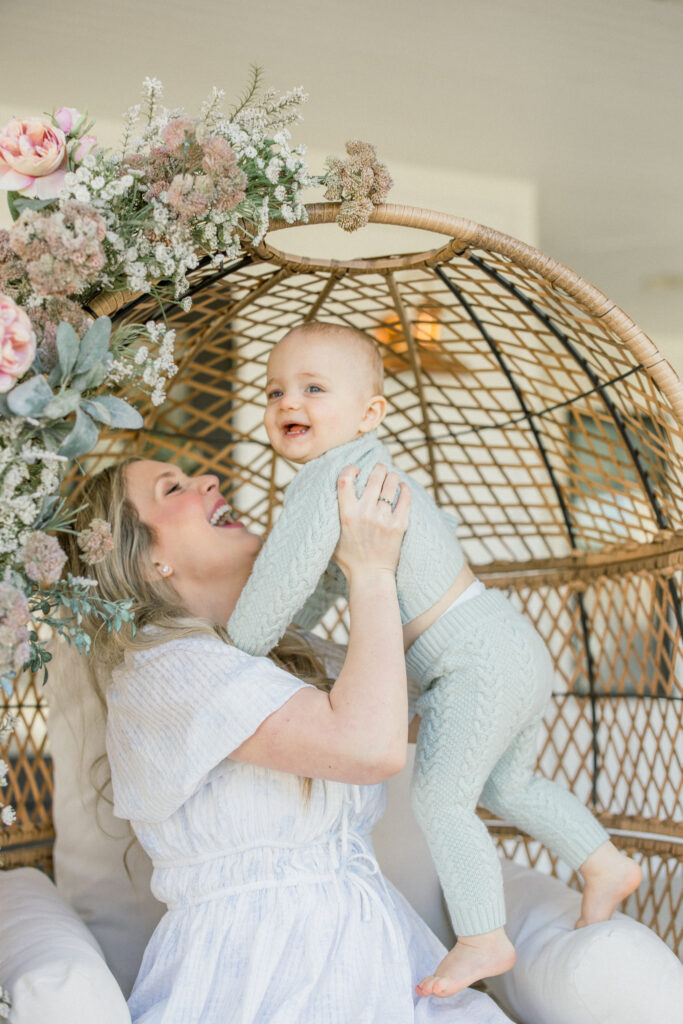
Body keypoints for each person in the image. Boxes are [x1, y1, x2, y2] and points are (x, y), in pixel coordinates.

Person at [226, 321, 643, 998]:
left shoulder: (326, 480)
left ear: (369, 412)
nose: (286, 403)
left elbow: (279, 580)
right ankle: (604, 863)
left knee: (440, 799)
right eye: (274, 390)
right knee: (508, 788)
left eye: (312, 388)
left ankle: (483, 937)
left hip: (470, 663)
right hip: (505, 642)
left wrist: (236, 651)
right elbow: (331, 579)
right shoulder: (373, 472)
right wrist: (288, 633)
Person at [63, 455, 512, 1024]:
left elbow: (434, 714)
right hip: (261, 983)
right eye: (173, 487)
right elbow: (371, 748)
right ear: (150, 560)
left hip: (382, 962)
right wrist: (369, 571)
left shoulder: (284, 653)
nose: (209, 481)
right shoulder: (161, 668)